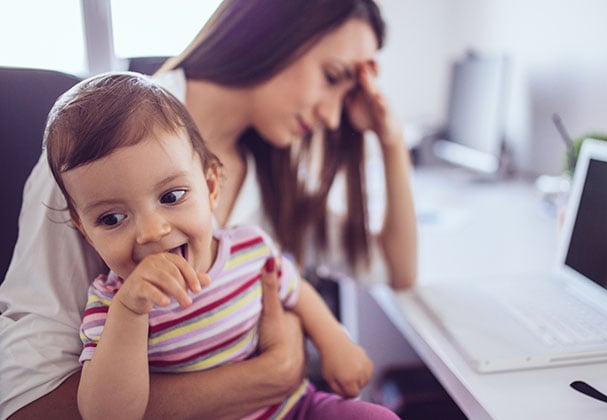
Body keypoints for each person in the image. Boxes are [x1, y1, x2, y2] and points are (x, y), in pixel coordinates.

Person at [0, 0, 417, 417]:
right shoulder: (99, 151)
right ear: (273, 32)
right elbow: (23, 399)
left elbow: (392, 268)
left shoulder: (268, 170)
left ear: (211, 183)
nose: (331, 116)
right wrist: (270, 374)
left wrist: (391, 139)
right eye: (332, 77)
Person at [45, 71, 398, 420]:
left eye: (171, 196)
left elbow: (296, 290)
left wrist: (335, 342)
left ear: (211, 187)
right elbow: (106, 416)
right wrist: (131, 314)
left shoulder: (251, 248)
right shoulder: (111, 305)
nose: (152, 231)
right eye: (111, 219)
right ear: (87, 232)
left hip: (292, 409)